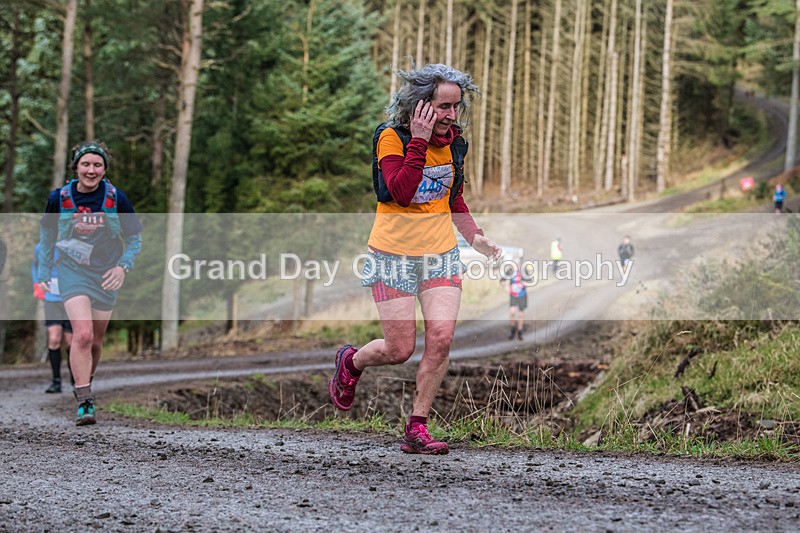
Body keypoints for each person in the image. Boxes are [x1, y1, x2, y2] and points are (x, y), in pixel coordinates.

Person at [328, 63, 502, 455]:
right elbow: (400, 193)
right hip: (392, 255)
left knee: (440, 339)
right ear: (421, 106)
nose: (451, 116)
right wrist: (419, 141)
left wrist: (476, 238)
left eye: (456, 107)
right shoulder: (390, 138)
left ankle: (417, 428)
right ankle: (352, 363)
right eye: (443, 107)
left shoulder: (455, 143)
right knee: (399, 349)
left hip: (440, 253)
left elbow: (454, 199)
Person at [37, 140, 142, 426]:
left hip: (107, 274)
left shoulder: (116, 198)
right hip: (72, 272)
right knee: (81, 335)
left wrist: (123, 267)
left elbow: (134, 238)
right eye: (86, 164)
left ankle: (86, 383)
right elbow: (47, 235)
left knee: (95, 341)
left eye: (97, 165)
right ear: (76, 168)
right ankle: (84, 401)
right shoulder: (59, 198)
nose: (91, 170)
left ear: (105, 169)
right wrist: (44, 271)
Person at [32, 243, 74, 393]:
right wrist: (37, 284)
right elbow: (35, 265)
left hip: (71, 298)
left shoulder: (73, 245)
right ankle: (56, 381)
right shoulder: (41, 248)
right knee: (54, 338)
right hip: (51, 298)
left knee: (71, 341)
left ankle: (76, 379)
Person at [501, 261, 527, 340]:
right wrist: (506, 286)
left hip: (522, 295)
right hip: (513, 295)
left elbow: (529, 281)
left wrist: (522, 284)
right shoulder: (510, 271)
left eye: (518, 263)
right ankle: (512, 330)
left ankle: (519, 332)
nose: (516, 265)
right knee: (512, 312)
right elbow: (502, 280)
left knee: (520, 314)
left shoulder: (524, 271)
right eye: (514, 263)